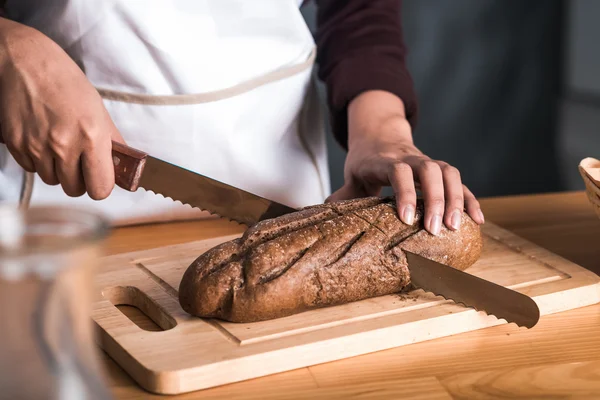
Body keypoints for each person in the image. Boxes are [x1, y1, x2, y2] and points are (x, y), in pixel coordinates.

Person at [0, 0, 484, 234]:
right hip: (44, 219)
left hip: (286, 207)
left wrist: (382, 131)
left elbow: (358, 11)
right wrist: (8, 48)